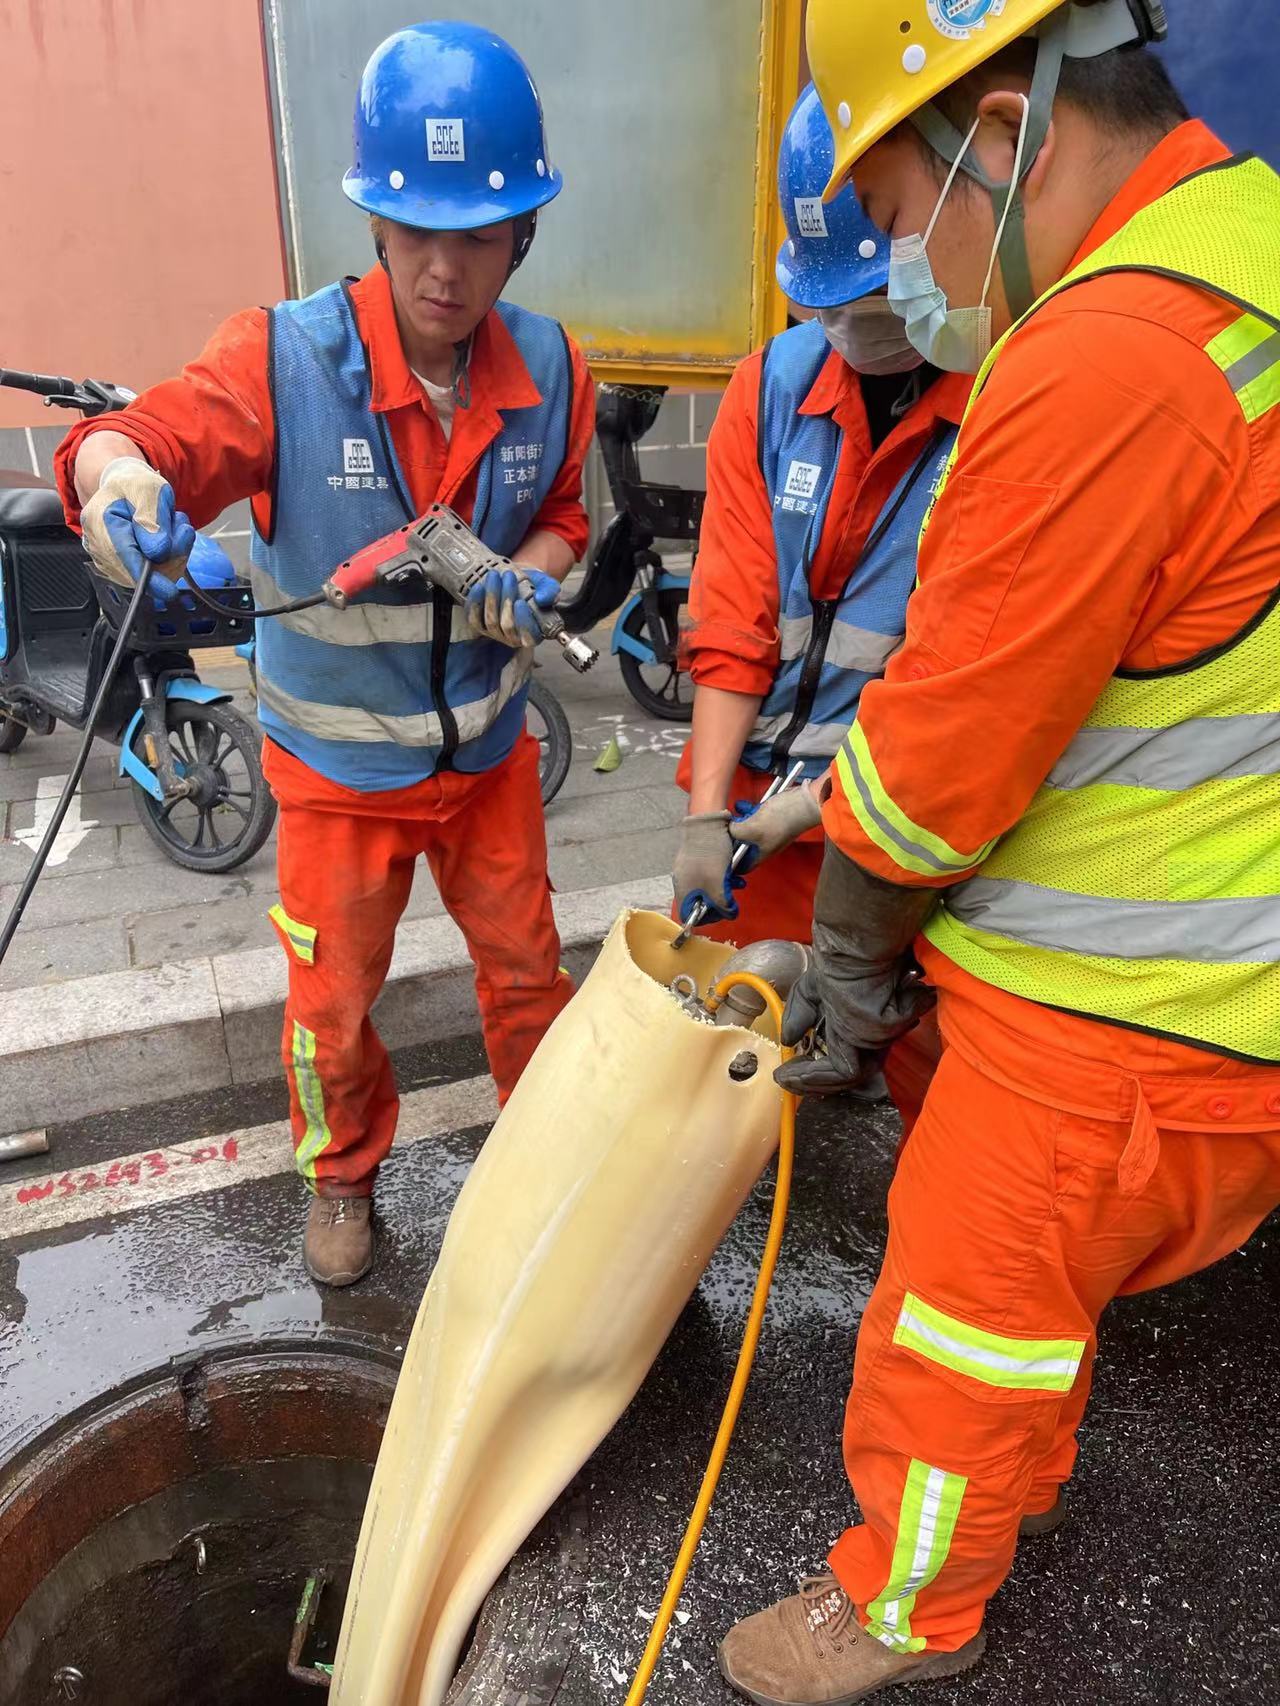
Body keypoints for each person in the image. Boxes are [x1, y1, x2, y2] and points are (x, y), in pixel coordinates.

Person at [718, 2, 1280, 1701]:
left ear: (1007, 123)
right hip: (1216, 1000)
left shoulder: (1111, 354)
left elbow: (939, 779)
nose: (905, 260)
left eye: (902, 208)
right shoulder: (1245, 258)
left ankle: (904, 1608)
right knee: (1034, 1327)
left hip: (1101, 1030)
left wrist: (853, 972)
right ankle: (1002, 1500)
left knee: (952, 1330)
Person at [56, 22, 595, 1288]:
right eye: (419, 234)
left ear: (521, 235)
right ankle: (342, 1176)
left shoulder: (553, 366)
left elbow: (565, 513)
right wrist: (121, 488)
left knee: (528, 975)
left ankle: (550, 1165)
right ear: (373, 227)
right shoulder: (287, 357)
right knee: (333, 1005)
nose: (446, 270)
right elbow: (136, 438)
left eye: (479, 235)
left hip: (490, 762)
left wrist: (545, 574)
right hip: (334, 778)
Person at [672, 83, 968, 1129]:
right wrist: (709, 814)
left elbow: (964, 682)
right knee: (737, 1054)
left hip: (901, 813)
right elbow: (731, 615)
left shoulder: (998, 406)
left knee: (916, 1064)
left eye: (872, 304)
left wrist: (830, 803)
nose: (847, 330)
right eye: (823, 306)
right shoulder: (769, 384)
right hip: (761, 812)